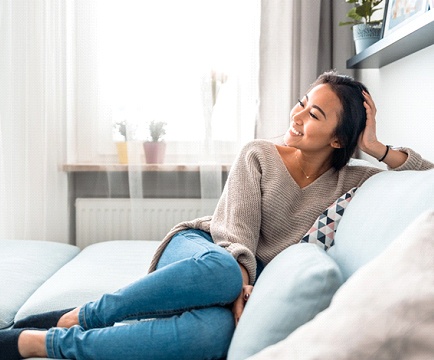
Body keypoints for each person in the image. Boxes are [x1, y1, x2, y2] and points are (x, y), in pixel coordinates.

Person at [2, 71, 433, 360]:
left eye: (315, 114)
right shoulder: (259, 154)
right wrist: (242, 282)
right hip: (203, 250)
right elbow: (234, 233)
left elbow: (425, 177)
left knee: (212, 336)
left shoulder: (351, 179)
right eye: (302, 103)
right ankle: (87, 314)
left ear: (340, 139)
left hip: (236, 276)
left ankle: (45, 342)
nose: (298, 115)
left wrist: (375, 146)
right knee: (224, 270)